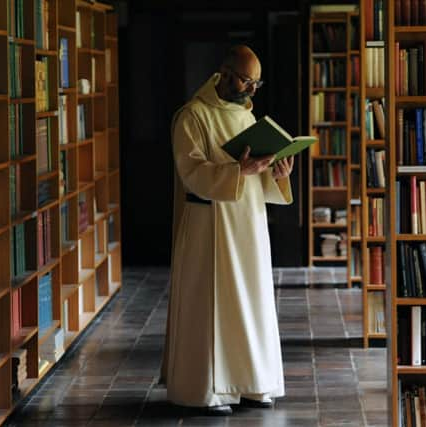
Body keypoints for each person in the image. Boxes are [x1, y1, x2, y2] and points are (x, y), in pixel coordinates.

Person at [162, 45, 295, 416]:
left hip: (248, 223)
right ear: (222, 73)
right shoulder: (192, 116)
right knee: (213, 304)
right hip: (210, 225)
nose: (251, 90)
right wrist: (240, 172)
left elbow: (259, 175)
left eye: (257, 83)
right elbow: (191, 172)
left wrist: (276, 174)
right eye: (245, 80)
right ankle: (209, 391)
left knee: (252, 300)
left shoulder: (247, 118)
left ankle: (254, 382)